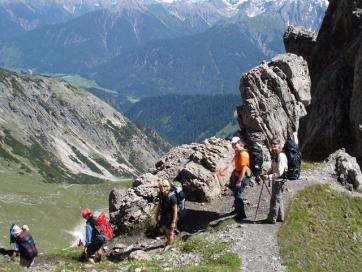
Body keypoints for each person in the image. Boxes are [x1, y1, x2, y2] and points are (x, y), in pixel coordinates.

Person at [261, 138, 288, 224]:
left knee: (275, 199)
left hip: (279, 180)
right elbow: (273, 168)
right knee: (278, 199)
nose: (273, 146)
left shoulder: (280, 156)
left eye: (275, 144)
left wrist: (268, 177)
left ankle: (271, 219)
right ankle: (280, 217)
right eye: (272, 144)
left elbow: (280, 172)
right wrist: (266, 174)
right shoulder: (276, 155)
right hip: (277, 180)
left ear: (279, 145)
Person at [230, 136, 252, 221]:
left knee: (239, 195)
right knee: (236, 193)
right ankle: (237, 210)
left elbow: (244, 168)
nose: (233, 145)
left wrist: (239, 180)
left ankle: (241, 215)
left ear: (239, 143)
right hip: (237, 175)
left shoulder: (243, 154)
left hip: (242, 177)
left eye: (235, 144)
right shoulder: (238, 152)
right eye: (232, 144)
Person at [155, 179, 178, 245]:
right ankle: (169, 242)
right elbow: (159, 204)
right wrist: (156, 215)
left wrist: (173, 222)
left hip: (171, 218)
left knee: (169, 232)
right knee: (167, 231)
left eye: (164, 186)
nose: (162, 188)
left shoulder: (172, 197)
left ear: (168, 187)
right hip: (164, 216)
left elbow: (175, 210)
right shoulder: (161, 194)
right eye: (161, 186)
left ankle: (170, 245)